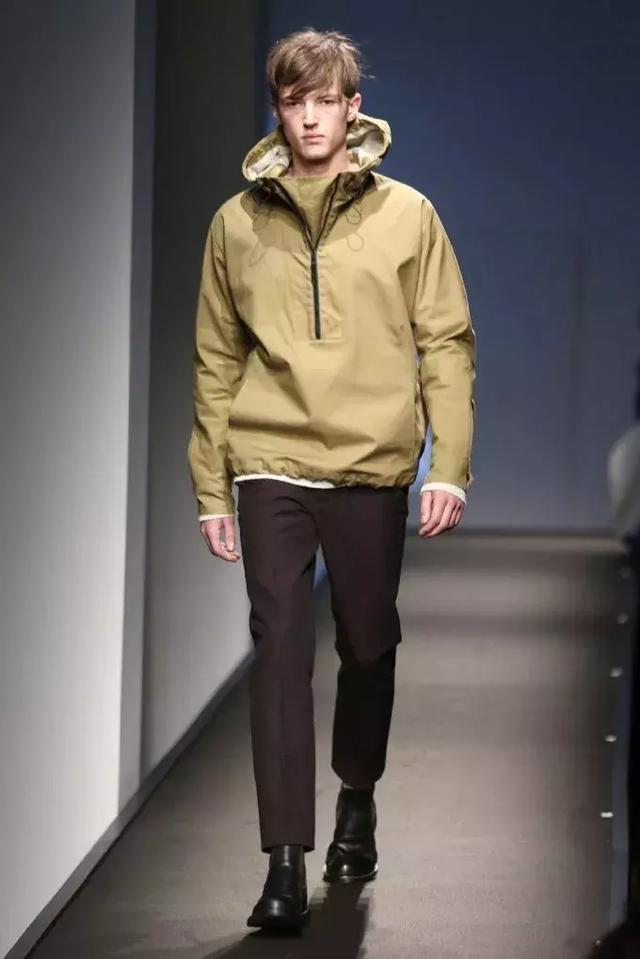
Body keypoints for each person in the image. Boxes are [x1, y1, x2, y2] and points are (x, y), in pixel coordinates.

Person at [187, 27, 476, 931]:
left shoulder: (408, 215)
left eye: (325, 101)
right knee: (277, 650)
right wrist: (211, 484)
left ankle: (358, 794)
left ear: (354, 109)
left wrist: (449, 465)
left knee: (367, 643)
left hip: (369, 465)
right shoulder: (236, 224)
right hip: (269, 462)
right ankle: (284, 861)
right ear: (278, 111)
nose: (310, 118)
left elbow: (446, 343)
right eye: (294, 102)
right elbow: (215, 360)